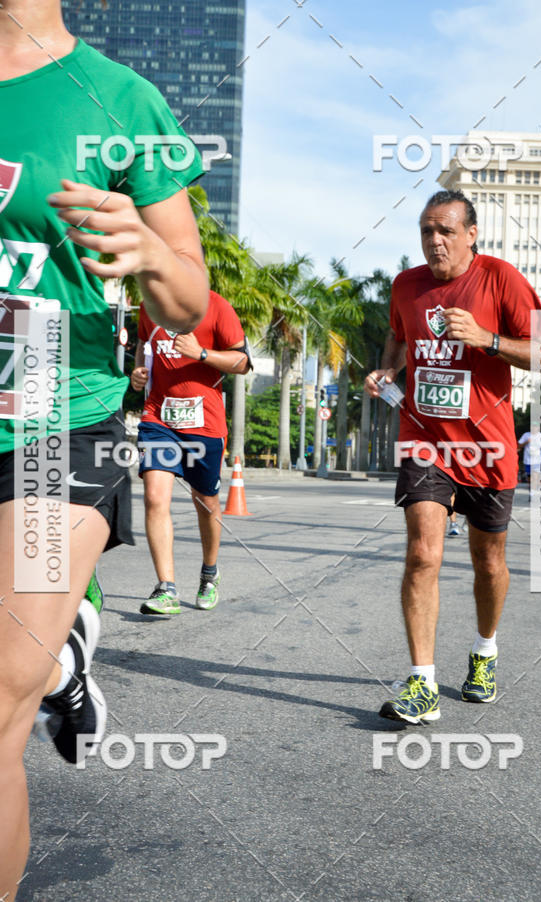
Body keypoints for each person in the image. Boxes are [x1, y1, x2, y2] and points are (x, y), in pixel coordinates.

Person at [0, 2, 208, 898]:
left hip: (52, 421)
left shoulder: (121, 100)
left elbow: (190, 298)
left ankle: (48, 657)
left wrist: (149, 255)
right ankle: (66, 657)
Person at [365, 189, 541, 723]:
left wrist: (489, 339)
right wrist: (389, 370)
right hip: (425, 443)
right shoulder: (405, 285)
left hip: (489, 448)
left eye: (445, 230)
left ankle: (484, 651)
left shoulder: (501, 278)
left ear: (471, 234)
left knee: (489, 562)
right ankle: (422, 683)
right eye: (425, 230)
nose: (434, 241)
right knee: (423, 554)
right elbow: (399, 340)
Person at [130, 293, 250, 615]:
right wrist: (139, 372)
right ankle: (165, 588)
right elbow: (144, 345)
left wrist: (200, 353)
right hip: (158, 419)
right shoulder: (149, 306)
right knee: (155, 498)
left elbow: (242, 363)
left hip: (205, 424)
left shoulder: (217, 307)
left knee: (205, 502)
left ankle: (209, 573)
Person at [518, 422, 541, 495]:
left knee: (535, 476)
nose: (534, 428)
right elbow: (519, 445)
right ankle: (531, 488)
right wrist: (526, 442)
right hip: (528, 460)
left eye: (535, 427)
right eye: (533, 426)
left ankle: (533, 490)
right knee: (530, 477)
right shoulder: (526, 435)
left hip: (537, 460)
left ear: (538, 428)